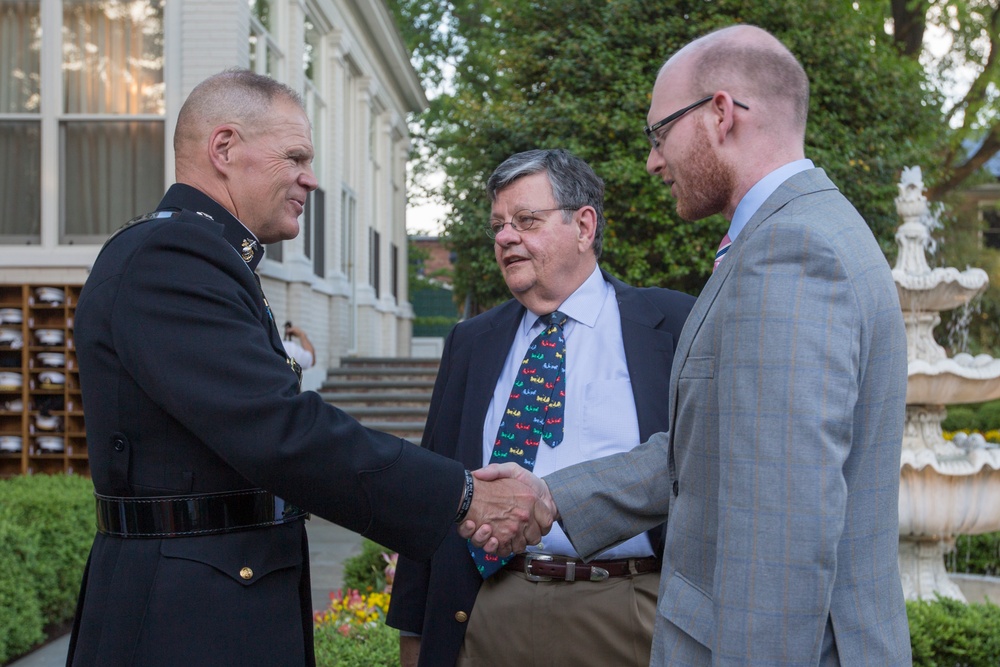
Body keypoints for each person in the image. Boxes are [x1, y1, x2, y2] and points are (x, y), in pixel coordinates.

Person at [66, 68, 548, 667]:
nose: (311, 179)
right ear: (224, 147)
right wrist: (462, 495)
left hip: (206, 598)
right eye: (295, 156)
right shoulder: (174, 256)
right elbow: (278, 430)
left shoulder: (204, 256)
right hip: (186, 619)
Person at [471, 25, 911, 665]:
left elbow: (779, 542)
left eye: (659, 133)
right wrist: (551, 496)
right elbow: (703, 454)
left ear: (721, 114)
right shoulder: (792, 233)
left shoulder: (792, 253)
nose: (652, 161)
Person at [387, 148, 695, 667]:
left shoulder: (674, 325)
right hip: (488, 613)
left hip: (630, 610)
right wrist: (416, 631)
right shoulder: (471, 342)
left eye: (526, 220)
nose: (506, 237)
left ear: (584, 225)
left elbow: (698, 465)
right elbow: (437, 486)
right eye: (498, 226)